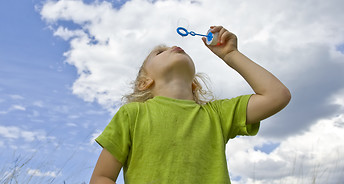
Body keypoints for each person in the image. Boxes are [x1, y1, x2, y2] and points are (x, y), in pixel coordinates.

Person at [90, 26, 291, 184]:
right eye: (160, 52)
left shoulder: (216, 115)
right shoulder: (132, 114)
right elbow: (102, 177)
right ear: (144, 82)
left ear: (194, 83)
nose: (172, 47)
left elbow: (277, 95)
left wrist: (231, 55)